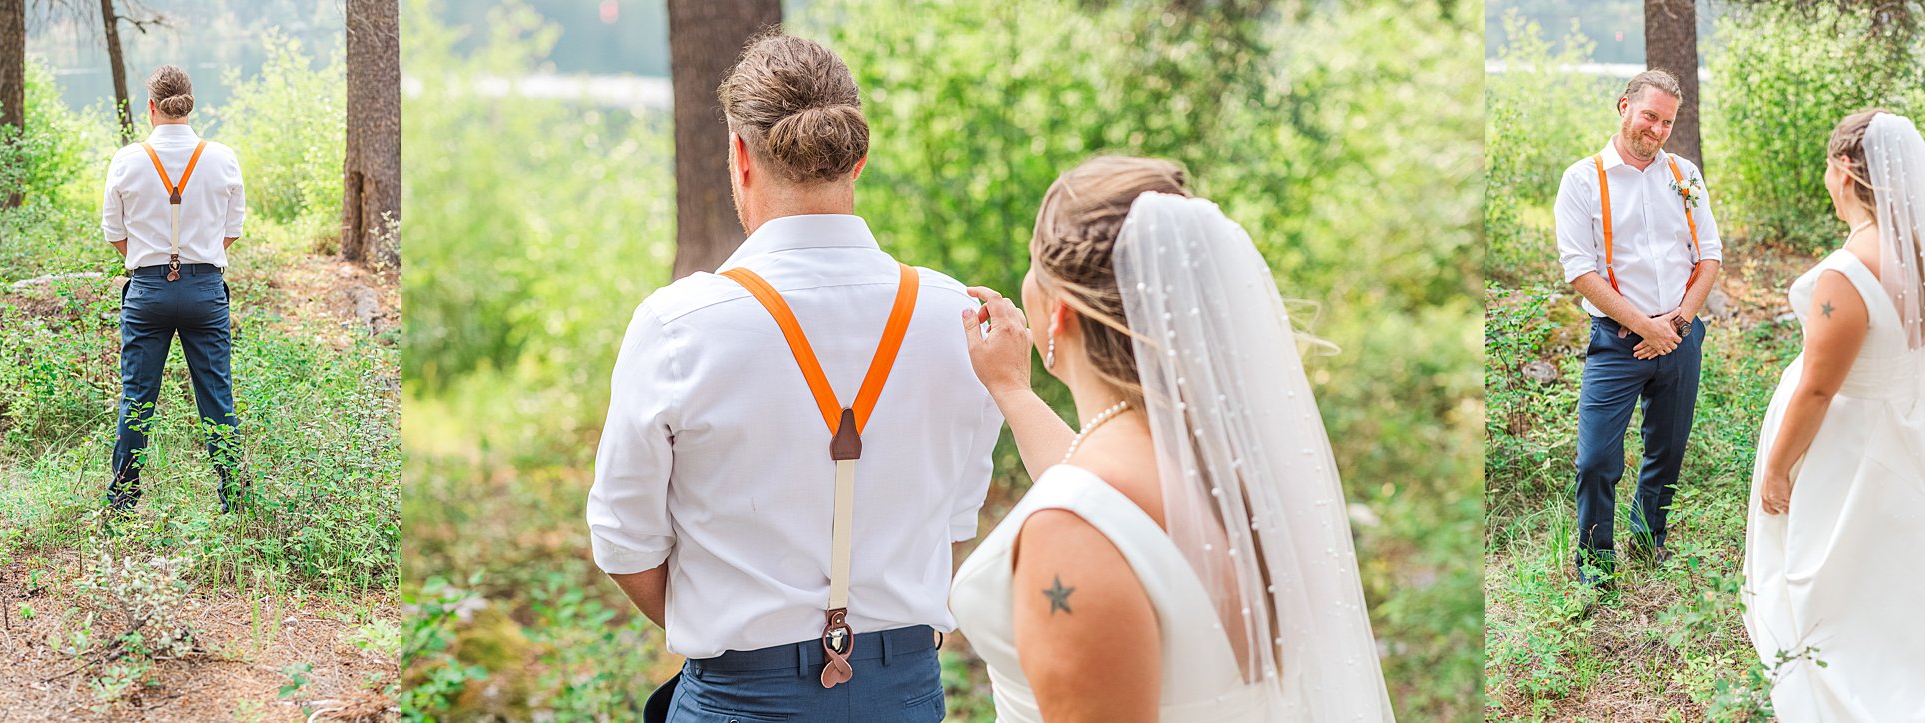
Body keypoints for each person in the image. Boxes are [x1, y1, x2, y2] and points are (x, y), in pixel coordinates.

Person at [586, 31, 1002, 723]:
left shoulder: (679, 324)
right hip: (903, 693)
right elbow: (958, 523)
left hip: (738, 697)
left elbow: (624, 543)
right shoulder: (957, 315)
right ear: (858, 159)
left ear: (740, 156)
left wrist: (730, 631)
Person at [950, 156, 1393, 721]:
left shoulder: (1069, 531)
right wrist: (1012, 391)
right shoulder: (1224, 463)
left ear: (1058, 310)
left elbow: (1093, 512)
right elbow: (1100, 490)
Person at [1741, 109, 1925, 721]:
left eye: (1825, 165)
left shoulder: (1847, 272)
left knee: (1842, 569)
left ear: (1843, 170)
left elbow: (1818, 389)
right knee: (1898, 561)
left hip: (1851, 440)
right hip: (1906, 423)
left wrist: (1779, 468)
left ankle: (1867, 683)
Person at [1552, 69, 1722, 585]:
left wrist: (1678, 322)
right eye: (1650, 115)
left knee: (1666, 452)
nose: (1657, 129)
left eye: (1667, 122)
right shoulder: (1583, 179)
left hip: (1680, 334)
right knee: (1596, 460)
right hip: (1617, 342)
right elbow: (1579, 269)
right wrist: (1645, 327)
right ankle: (1596, 569)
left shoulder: (1685, 175)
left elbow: (1709, 255)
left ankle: (1649, 543)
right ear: (1623, 106)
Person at [100, 64, 247, 513]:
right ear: (190, 105)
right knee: (216, 393)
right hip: (204, 289)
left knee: (137, 396)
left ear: (151, 108)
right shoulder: (221, 157)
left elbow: (114, 232)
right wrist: (197, 255)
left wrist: (147, 258)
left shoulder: (127, 159)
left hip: (147, 292)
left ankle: (123, 500)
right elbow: (232, 230)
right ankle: (235, 500)